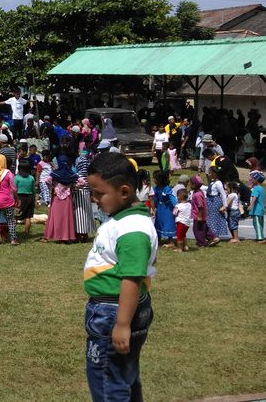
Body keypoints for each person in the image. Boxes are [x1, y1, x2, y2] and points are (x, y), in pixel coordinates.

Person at [83, 153, 157, 402]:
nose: (94, 199)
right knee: (123, 377)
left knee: (108, 382)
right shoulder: (125, 220)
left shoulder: (133, 230)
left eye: (99, 193)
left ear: (124, 192)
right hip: (113, 311)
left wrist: (123, 324)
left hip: (113, 313)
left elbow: (132, 278)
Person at [44, 155, 78, 243]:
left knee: (57, 218)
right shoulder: (71, 174)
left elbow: (47, 180)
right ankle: (66, 237)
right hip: (67, 198)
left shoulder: (55, 173)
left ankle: (57, 236)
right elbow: (81, 182)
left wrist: (53, 186)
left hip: (56, 198)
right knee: (66, 218)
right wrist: (73, 186)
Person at [151, 171, 177, 247]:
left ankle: (170, 240)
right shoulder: (156, 188)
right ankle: (158, 239)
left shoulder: (167, 188)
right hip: (159, 208)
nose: (153, 180)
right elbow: (154, 198)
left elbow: (172, 197)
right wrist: (154, 207)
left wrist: (176, 205)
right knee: (158, 222)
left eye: (154, 179)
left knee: (168, 223)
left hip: (167, 209)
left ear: (159, 180)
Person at [205, 167, 231, 241]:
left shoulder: (218, 183)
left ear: (214, 174)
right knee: (211, 218)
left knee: (214, 218)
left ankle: (215, 235)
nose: (208, 174)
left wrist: (225, 205)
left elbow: (223, 194)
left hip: (214, 201)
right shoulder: (213, 183)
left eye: (210, 173)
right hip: (210, 201)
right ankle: (211, 235)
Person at [15, 163, 37, 237]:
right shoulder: (31, 178)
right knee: (28, 217)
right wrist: (34, 200)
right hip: (30, 198)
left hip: (20, 198)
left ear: (19, 170)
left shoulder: (17, 178)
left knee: (15, 216)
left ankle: (12, 231)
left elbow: (14, 189)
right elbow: (33, 190)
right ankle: (26, 232)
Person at [248, 171, 266, 244]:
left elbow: (254, 197)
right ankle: (260, 237)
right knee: (260, 224)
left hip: (257, 210)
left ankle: (260, 239)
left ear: (257, 180)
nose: (251, 180)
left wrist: (251, 205)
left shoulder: (256, 189)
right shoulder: (262, 188)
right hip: (261, 210)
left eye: (252, 178)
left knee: (257, 224)